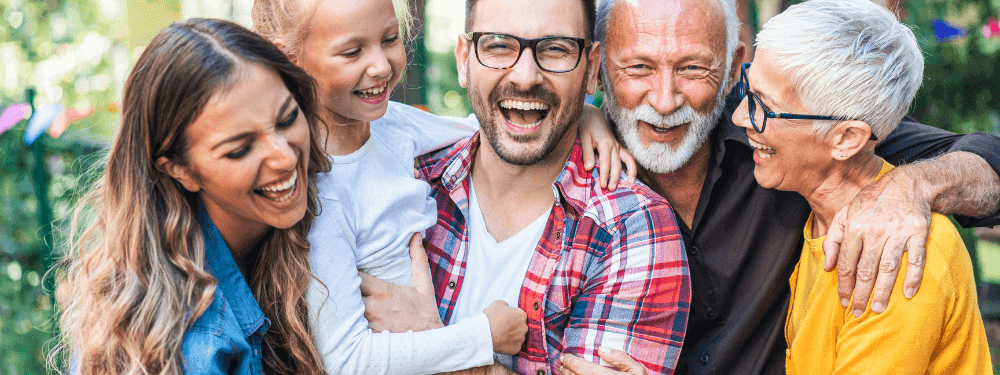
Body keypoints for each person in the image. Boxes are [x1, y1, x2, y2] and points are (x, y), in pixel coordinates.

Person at [559, 0, 1000, 373]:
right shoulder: (569, 169)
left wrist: (911, 184)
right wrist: (582, 114)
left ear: (732, 67)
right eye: (637, 68)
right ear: (598, 68)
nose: (664, 99)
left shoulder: (814, 145)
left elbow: (984, 159)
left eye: (692, 68)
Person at [250, 0, 638, 373]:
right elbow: (347, 361)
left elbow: (490, 129)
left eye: (390, 39)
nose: (381, 65)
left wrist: (584, 114)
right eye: (352, 52)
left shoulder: (392, 125)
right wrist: (483, 335)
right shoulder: (321, 193)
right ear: (288, 58)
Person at [360, 0, 690, 374]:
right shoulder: (406, 180)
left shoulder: (631, 228)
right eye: (499, 45)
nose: (526, 76)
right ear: (464, 59)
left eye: (556, 49)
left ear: (591, 67)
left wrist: (427, 339)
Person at [54, 18, 330, 374]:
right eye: (240, 149)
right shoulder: (192, 345)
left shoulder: (327, 201)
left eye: (287, 119)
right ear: (179, 169)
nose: (286, 158)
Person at [733, 0, 992, 372]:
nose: (740, 116)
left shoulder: (897, 255)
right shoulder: (818, 215)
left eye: (764, 106)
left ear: (846, 139)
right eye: (748, 88)